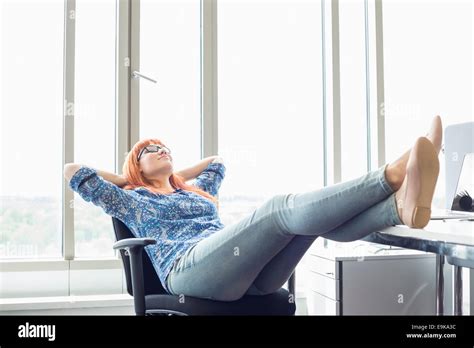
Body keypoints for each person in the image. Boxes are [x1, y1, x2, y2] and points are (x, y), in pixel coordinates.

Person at [64, 116, 443, 302]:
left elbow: (216, 162)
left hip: (252, 279)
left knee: (305, 224)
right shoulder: (131, 198)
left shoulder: (198, 193)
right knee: (280, 209)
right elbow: (74, 171)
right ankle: (391, 176)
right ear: (135, 166)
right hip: (188, 272)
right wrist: (132, 179)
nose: (160, 150)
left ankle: (397, 209)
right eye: (150, 150)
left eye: (164, 146)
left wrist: (172, 177)